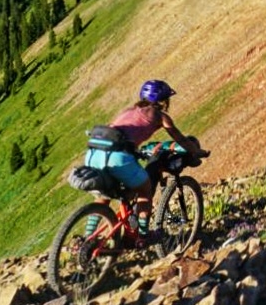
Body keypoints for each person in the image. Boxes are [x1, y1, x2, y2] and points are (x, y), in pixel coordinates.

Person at [83, 79, 197, 236]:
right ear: (163, 101)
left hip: (94, 153)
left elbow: (121, 134)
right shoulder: (160, 116)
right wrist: (196, 152)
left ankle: (87, 238)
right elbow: (181, 140)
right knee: (145, 190)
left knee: (104, 195)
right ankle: (143, 235)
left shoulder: (128, 111)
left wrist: (136, 151)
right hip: (117, 156)